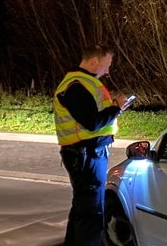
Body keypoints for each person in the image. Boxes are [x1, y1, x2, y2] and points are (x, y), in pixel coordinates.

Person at [53, 44, 132, 246]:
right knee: (92, 212)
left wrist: (114, 108)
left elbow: (92, 116)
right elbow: (92, 122)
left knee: (83, 208)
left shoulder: (82, 83)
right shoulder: (77, 86)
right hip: (87, 155)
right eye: (107, 65)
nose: (108, 70)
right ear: (95, 61)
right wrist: (117, 108)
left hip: (86, 154)